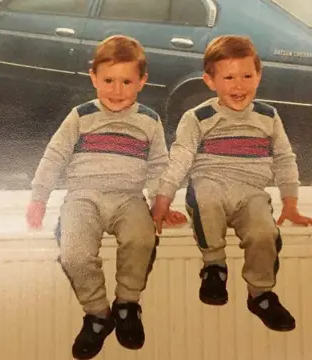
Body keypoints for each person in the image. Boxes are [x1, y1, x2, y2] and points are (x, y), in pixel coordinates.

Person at [25, 35, 187, 359]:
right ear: (94, 78)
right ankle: (98, 314)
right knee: (74, 254)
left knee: (142, 238)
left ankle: (127, 304)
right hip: (83, 198)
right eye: (108, 80)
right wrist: (39, 197)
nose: (116, 90)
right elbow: (54, 155)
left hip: (128, 197)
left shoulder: (149, 121)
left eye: (126, 81)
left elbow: (158, 166)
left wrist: (161, 203)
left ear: (142, 81)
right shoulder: (81, 116)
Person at [150, 35, 312, 332]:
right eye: (228, 77)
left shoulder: (268, 116)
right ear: (210, 81)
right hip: (209, 182)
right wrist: (161, 201)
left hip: (251, 192)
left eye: (247, 76)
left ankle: (261, 294)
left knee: (265, 233)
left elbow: (284, 158)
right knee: (207, 200)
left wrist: (290, 202)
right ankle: (214, 267)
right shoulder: (198, 117)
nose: (238, 85)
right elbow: (179, 159)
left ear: (259, 76)